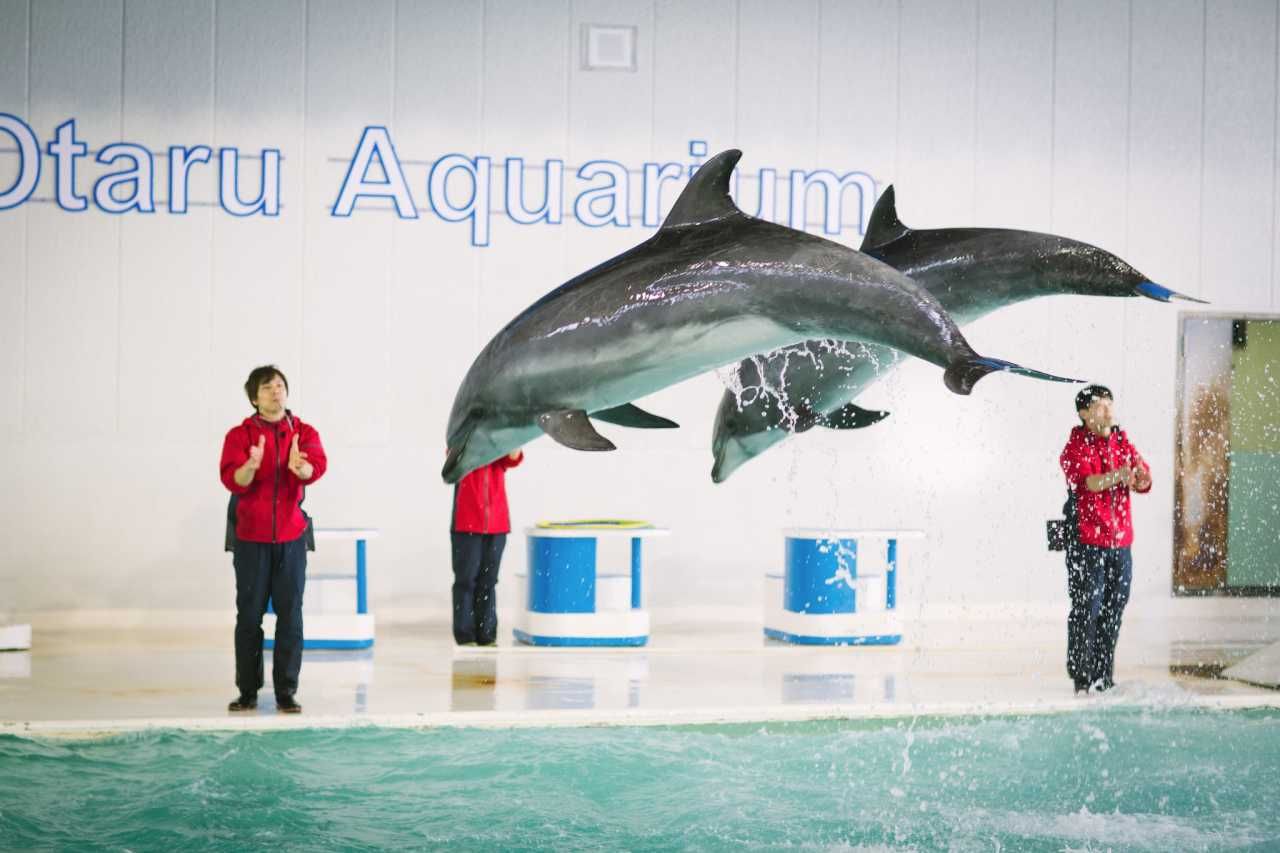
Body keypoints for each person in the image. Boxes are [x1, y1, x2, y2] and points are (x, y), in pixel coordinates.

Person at [219, 365, 327, 713]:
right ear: (254, 397)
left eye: (280, 385)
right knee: (249, 616)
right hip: (251, 539)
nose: (275, 391)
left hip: (292, 539)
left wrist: (302, 469)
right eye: (267, 387)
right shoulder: (240, 435)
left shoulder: (303, 431)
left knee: (291, 616)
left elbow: (317, 466)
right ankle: (248, 691)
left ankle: (286, 691)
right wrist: (250, 466)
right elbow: (232, 478)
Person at [1059, 384, 1151, 695]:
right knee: (1088, 607)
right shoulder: (1074, 448)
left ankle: (1103, 676)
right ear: (1084, 413)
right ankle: (1082, 675)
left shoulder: (1122, 442)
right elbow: (1090, 483)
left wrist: (1139, 475)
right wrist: (1120, 475)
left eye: (1110, 404)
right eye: (1100, 406)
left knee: (1114, 609)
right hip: (1087, 543)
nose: (1108, 411)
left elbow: (1142, 477)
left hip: (1121, 544)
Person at [450, 450, 524, 646]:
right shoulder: (463, 437)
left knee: (489, 581)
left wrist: (514, 437)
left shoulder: (498, 442)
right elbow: (455, 460)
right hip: (466, 523)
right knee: (466, 581)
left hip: (497, 525)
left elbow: (512, 459)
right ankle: (465, 635)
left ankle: (487, 635)